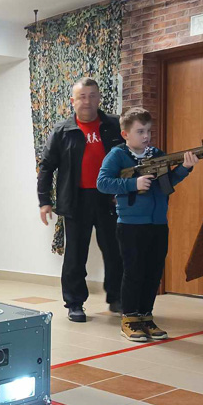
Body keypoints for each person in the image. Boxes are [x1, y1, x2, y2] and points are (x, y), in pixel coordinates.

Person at [97, 107, 198, 341]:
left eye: (148, 131)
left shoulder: (157, 154)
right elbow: (102, 183)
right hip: (131, 225)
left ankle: (145, 317)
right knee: (134, 273)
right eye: (140, 131)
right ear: (125, 134)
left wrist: (185, 168)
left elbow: (167, 182)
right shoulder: (117, 155)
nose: (146, 136)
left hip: (158, 223)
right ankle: (129, 319)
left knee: (153, 273)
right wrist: (134, 184)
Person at [37, 77, 124, 322]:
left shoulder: (115, 126)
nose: (87, 101)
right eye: (82, 96)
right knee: (76, 255)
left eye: (92, 95)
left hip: (110, 198)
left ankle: (117, 298)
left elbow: (130, 156)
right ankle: (75, 303)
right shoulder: (62, 131)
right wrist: (44, 201)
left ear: (99, 98)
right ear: (73, 101)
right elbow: (46, 167)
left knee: (115, 251)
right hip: (76, 199)